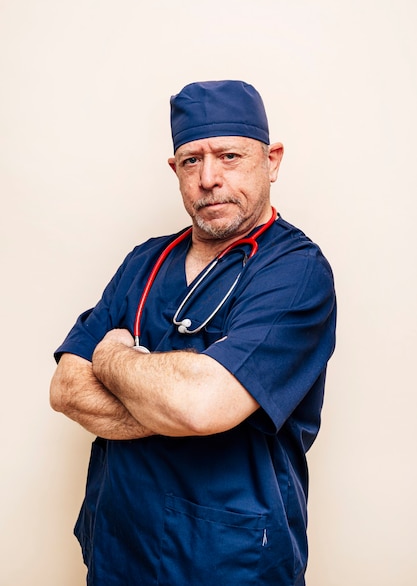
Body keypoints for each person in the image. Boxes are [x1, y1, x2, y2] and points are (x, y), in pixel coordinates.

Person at [50, 80, 336, 586]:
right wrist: (173, 402)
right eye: (191, 161)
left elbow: (201, 407)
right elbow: (67, 389)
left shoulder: (295, 272)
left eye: (229, 156)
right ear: (175, 170)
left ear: (272, 160)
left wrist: (113, 356)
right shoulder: (145, 261)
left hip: (232, 556)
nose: (208, 178)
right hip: (120, 546)